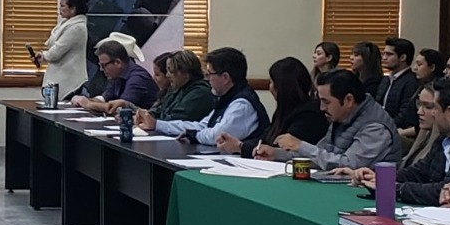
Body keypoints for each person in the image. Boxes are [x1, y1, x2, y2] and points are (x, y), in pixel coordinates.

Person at [343, 77, 450, 206]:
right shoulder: (445, 139)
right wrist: (380, 177)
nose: (432, 113)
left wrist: (396, 189)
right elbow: (419, 172)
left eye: (434, 107)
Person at [254, 69, 400, 171]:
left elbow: (349, 165)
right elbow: (322, 156)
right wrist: (277, 154)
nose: (322, 108)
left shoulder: (376, 127)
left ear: (348, 100)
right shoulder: (342, 117)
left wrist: (300, 145)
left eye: (326, 102)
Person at [136, 47, 268, 146]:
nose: (208, 78)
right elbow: (202, 125)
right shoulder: (227, 99)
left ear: (225, 77)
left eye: (210, 74)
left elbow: (217, 136)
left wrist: (194, 135)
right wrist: (157, 125)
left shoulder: (242, 105)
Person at [215, 57, 327, 158]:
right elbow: (265, 139)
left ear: (281, 87)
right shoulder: (284, 110)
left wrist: (240, 147)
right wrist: (239, 145)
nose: (270, 88)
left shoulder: (309, 114)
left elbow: (282, 149)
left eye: (272, 82)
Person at [70, 34, 158, 113]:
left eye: (104, 65)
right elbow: (104, 98)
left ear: (118, 63)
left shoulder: (137, 78)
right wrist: (81, 100)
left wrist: (89, 104)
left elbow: (119, 108)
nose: (101, 69)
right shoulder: (117, 75)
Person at [35, 0, 90, 96]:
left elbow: (56, 52)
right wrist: (43, 55)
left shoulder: (77, 27)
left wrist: (45, 55)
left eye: (62, 6)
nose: (59, 9)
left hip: (70, 81)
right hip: (58, 76)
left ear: (73, 8)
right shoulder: (65, 23)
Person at [150, 51, 216, 122]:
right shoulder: (178, 88)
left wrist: (153, 121)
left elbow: (176, 119)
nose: (167, 75)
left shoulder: (200, 93)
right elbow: (159, 111)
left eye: (171, 71)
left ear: (186, 73)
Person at [398, 48, 443, 140]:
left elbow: (423, 126)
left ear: (432, 67)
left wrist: (402, 132)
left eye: (419, 64)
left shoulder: (436, 90)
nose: (415, 68)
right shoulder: (419, 85)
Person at [375, 36, 419, 130]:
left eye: (389, 54)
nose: (384, 58)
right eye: (384, 54)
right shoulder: (385, 80)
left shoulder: (411, 82)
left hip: (395, 130)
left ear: (403, 57)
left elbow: (404, 115)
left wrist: (383, 127)